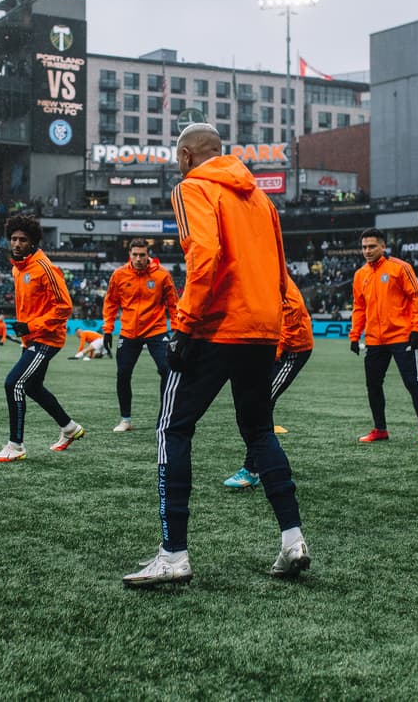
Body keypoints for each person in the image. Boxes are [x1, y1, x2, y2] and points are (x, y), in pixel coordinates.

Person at [124, 124, 308, 588]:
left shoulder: (191, 188)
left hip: (215, 326)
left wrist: (184, 326)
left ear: (186, 155)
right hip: (262, 329)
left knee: (172, 428)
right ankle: (293, 540)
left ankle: (173, 554)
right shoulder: (261, 199)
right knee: (259, 430)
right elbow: (279, 269)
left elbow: (204, 254)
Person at [0, 214, 85, 463]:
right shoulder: (17, 268)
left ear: (32, 242)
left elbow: (65, 307)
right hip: (32, 338)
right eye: (13, 239)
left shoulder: (44, 267)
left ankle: (15, 446)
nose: (17, 243)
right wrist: (26, 329)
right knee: (31, 386)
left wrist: (31, 325)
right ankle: (69, 428)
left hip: (47, 338)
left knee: (13, 383)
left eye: (22, 239)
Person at [223, 276, 313, 488]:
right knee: (257, 405)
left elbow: (292, 316)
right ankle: (271, 463)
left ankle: (253, 469)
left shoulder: (275, 279)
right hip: (271, 347)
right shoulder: (259, 275)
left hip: (292, 351)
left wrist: (274, 354)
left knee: (259, 405)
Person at [349, 228, 418, 448]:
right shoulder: (360, 275)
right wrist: (355, 335)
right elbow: (359, 307)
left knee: (413, 383)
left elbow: (417, 299)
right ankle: (380, 429)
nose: (367, 251)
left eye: (372, 246)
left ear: (383, 246)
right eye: (364, 247)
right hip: (374, 340)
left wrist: (416, 330)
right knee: (373, 385)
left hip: (401, 336)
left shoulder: (400, 268)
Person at [102, 238, 178, 432]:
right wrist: (108, 329)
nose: (138, 259)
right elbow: (111, 302)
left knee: (167, 370)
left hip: (156, 330)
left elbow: (173, 304)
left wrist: (177, 330)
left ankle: (165, 418)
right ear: (129, 255)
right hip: (129, 331)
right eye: (135, 255)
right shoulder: (119, 275)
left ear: (148, 255)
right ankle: (125, 420)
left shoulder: (162, 275)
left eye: (142, 255)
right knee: (123, 374)